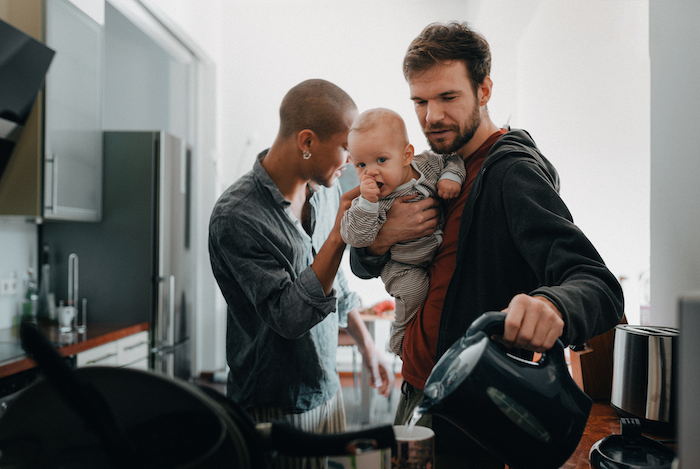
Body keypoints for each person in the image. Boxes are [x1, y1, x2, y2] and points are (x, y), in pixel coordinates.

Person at [350, 22, 625, 468]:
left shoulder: (509, 172)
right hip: (419, 390)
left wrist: (552, 304)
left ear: (484, 90)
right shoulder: (428, 167)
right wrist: (383, 237)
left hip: (469, 412)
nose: (431, 116)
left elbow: (598, 284)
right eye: (419, 101)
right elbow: (361, 264)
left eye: (447, 97)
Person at [209, 79, 393, 469]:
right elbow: (289, 318)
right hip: (274, 407)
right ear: (307, 141)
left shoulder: (323, 192)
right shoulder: (237, 216)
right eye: (346, 148)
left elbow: (336, 284)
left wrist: (367, 347)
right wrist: (343, 232)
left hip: (327, 393)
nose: (350, 161)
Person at [340, 107, 465, 357]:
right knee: (412, 292)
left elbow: (453, 159)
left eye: (381, 160)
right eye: (361, 164)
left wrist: (451, 176)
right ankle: (399, 339)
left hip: (437, 255)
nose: (370, 172)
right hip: (402, 265)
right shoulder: (372, 200)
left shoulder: (428, 166)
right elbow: (355, 237)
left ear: (407, 155)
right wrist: (367, 204)